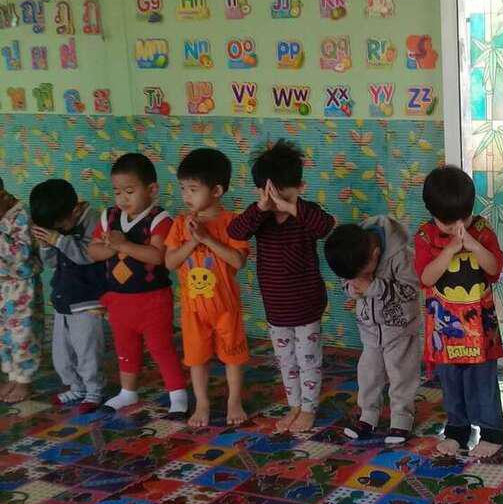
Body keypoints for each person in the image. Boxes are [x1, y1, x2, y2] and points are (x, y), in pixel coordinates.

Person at [228, 140, 335, 432]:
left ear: (300, 188)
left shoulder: (306, 213)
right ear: (260, 191)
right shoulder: (259, 217)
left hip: (307, 304)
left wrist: (292, 206)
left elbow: (326, 227)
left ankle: (309, 408)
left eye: (283, 196)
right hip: (276, 308)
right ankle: (295, 405)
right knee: (286, 361)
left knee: (308, 360)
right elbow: (235, 231)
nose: (276, 202)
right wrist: (260, 208)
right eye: (269, 194)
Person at [414, 165, 503, 459]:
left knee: (483, 380)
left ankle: (493, 431)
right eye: (448, 223)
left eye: (463, 219)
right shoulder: (426, 236)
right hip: (445, 329)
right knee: (451, 381)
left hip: (479, 327)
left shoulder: (481, 230)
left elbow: (493, 269)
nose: (457, 227)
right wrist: (449, 250)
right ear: (432, 213)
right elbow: (426, 278)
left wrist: (473, 245)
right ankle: (457, 430)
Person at [87, 153, 188, 415]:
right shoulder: (108, 217)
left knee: (160, 347)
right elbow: (93, 252)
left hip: (153, 299)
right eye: (117, 192)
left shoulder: (160, 219)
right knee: (125, 346)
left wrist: (122, 245)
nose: (122, 199)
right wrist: (113, 247)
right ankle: (128, 392)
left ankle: (177, 394)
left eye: (129, 191)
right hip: (119, 299)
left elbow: (158, 257)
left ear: (152, 190)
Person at [165, 149, 250, 427]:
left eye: (193, 189)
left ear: (216, 191)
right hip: (193, 310)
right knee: (196, 358)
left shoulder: (233, 222)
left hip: (226, 307)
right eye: (183, 188)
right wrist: (192, 241)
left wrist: (207, 238)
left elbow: (238, 261)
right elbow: (170, 262)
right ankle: (202, 402)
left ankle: (234, 401)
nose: (186, 195)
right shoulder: (180, 224)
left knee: (233, 356)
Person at [324, 218, 421, 445]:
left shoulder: (401, 255)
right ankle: (368, 415)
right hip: (369, 332)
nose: (357, 278)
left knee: (402, 374)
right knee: (368, 374)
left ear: (375, 255)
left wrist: (374, 287)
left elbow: (412, 289)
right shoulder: (351, 253)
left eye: (361, 273)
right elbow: (347, 280)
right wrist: (352, 289)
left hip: (400, 330)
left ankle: (401, 419)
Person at [30, 179, 106, 412]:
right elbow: (52, 263)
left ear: (74, 210)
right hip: (64, 297)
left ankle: (94, 390)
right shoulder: (58, 225)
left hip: (88, 298)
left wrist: (59, 240)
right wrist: (46, 245)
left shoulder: (94, 220)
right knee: (62, 353)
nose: (60, 230)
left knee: (87, 350)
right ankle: (76, 386)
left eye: (61, 225)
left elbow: (88, 256)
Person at [0, 176, 43, 403]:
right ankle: (12, 376)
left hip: (22, 286)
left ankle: (25, 380)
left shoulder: (21, 215)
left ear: (3, 195)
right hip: (3, 284)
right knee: (5, 333)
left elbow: (21, 255)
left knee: (23, 333)